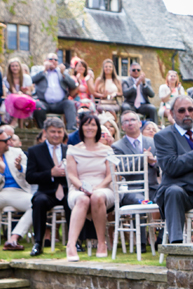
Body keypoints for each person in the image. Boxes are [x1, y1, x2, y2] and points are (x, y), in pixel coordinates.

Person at [153, 95, 193, 244]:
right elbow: (171, 167)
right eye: (181, 111)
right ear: (172, 114)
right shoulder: (163, 136)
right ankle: (176, 245)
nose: (187, 114)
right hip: (185, 194)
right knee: (173, 191)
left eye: (191, 110)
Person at [65, 111, 116, 261]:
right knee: (83, 199)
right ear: (81, 127)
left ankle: (101, 243)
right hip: (79, 188)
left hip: (103, 188)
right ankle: (71, 244)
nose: (90, 128)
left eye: (93, 125)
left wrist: (97, 188)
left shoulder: (107, 150)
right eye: (86, 125)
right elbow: (72, 176)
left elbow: (110, 175)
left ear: (98, 128)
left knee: (97, 196)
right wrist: (83, 188)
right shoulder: (72, 150)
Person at [26, 117, 70, 257]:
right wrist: (50, 173)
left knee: (75, 200)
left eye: (59, 132)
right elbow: (30, 177)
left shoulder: (70, 150)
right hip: (46, 191)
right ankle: (38, 243)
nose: (56, 135)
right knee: (38, 201)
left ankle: (75, 242)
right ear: (45, 132)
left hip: (67, 190)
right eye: (53, 132)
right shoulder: (35, 151)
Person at [113, 111, 160, 205]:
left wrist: (152, 162)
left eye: (133, 120)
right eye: (126, 121)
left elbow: (163, 164)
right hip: (133, 190)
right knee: (144, 203)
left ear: (139, 124)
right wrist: (143, 158)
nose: (130, 123)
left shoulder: (153, 142)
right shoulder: (117, 146)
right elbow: (123, 169)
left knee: (169, 197)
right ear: (122, 127)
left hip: (154, 188)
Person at [32, 53, 77, 131]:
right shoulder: (39, 71)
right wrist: (44, 70)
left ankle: (71, 130)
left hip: (60, 103)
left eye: (55, 60)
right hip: (44, 103)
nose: (53, 61)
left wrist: (63, 74)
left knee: (70, 104)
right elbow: (31, 80)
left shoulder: (62, 72)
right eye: (51, 59)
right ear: (45, 61)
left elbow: (73, 85)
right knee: (37, 105)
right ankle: (43, 130)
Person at [2, 58, 35, 125]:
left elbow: (29, 93)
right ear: (9, 68)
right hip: (10, 99)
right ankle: (18, 124)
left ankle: (15, 122)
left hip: (25, 99)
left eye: (16, 66)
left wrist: (24, 92)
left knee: (21, 101)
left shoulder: (26, 78)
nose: (15, 68)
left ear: (20, 67)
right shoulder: (6, 79)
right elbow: (5, 93)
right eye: (12, 66)